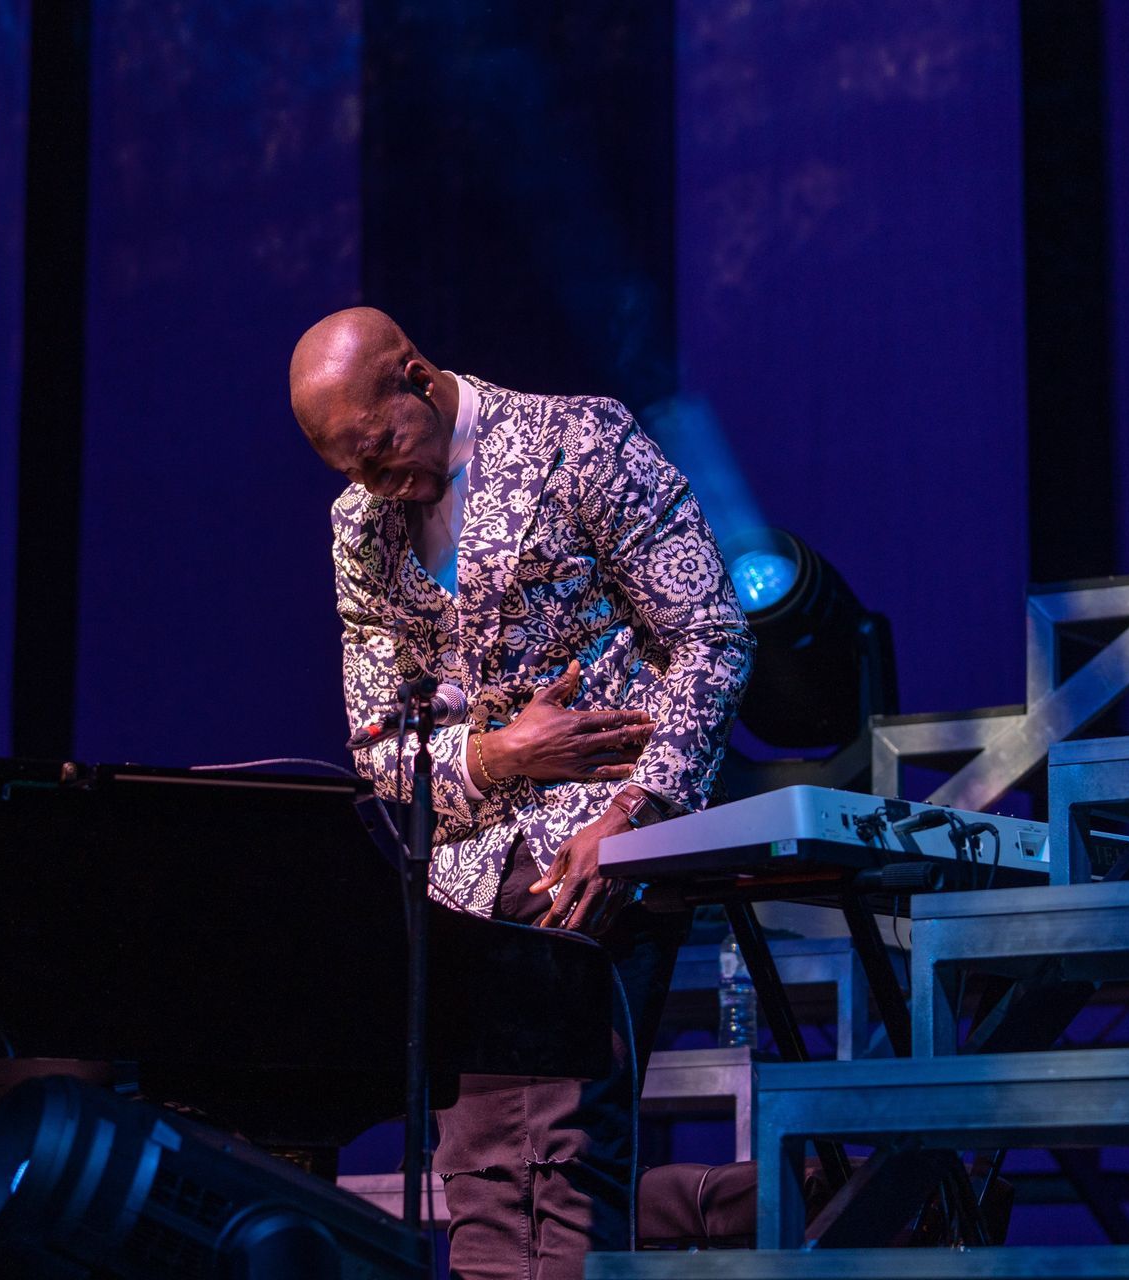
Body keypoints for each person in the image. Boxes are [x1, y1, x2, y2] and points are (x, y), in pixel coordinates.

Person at [289, 307, 752, 1279]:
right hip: (462, 882)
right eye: (352, 470)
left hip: (599, 853)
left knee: (571, 1160)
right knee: (483, 1180)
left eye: (383, 449)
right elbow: (378, 741)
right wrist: (502, 754)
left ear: (416, 375)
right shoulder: (360, 527)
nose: (378, 483)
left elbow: (711, 632)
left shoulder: (574, 439)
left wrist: (640, 818)